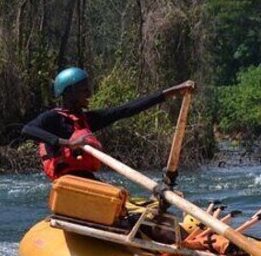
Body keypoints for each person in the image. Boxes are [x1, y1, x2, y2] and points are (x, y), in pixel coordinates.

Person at [22, 66, 193, 181]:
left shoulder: (87, 120)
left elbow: (128, 109)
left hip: (88, 181)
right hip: (69, 184)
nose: (89, 93)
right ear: (70, 93)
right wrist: (66, 143)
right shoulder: (53, 118)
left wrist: (173, 92)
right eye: (84, 90)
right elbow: (27, 129)